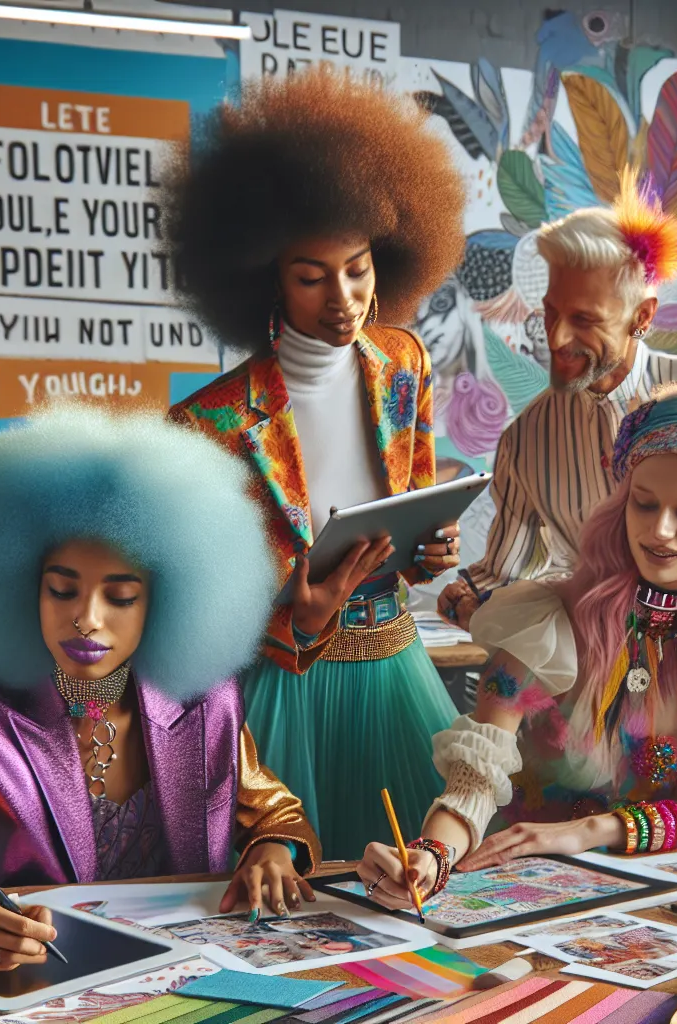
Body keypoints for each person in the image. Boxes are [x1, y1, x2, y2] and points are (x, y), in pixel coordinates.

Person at [0, 407, 320, 972]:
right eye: (61, 590)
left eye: (121, 597)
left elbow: (274, 812)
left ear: (168, 602)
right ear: (21, 588)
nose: (87, 619)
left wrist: (273, 850)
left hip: (186, 974)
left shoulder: (205, 700)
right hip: (34, 975)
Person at [358, 382, 677, 908]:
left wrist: (596, 830)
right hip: (509, 890)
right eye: (643, 503)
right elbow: (474, 782)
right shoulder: (546, 621)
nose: (659, 530)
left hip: (641, 899)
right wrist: (431, 856)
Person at [164, 67, 468, 861]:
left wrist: (432, 548)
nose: (345, 297)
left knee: (426, 886)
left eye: (360, 267)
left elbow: (417, 499)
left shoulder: (405, 362)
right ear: (265, 277)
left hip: (398, 661)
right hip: (283, 690)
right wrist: (293, 617)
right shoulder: (209, 424)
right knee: (285, 904)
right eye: (312, 276)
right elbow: (189, 613)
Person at [438, 169, 677, 629]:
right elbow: (505, 573)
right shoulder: (527, 438)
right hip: (596, 668)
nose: (557, 337)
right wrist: (468, 595)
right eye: (550, 312)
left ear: (641, 316)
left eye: (584, 319)